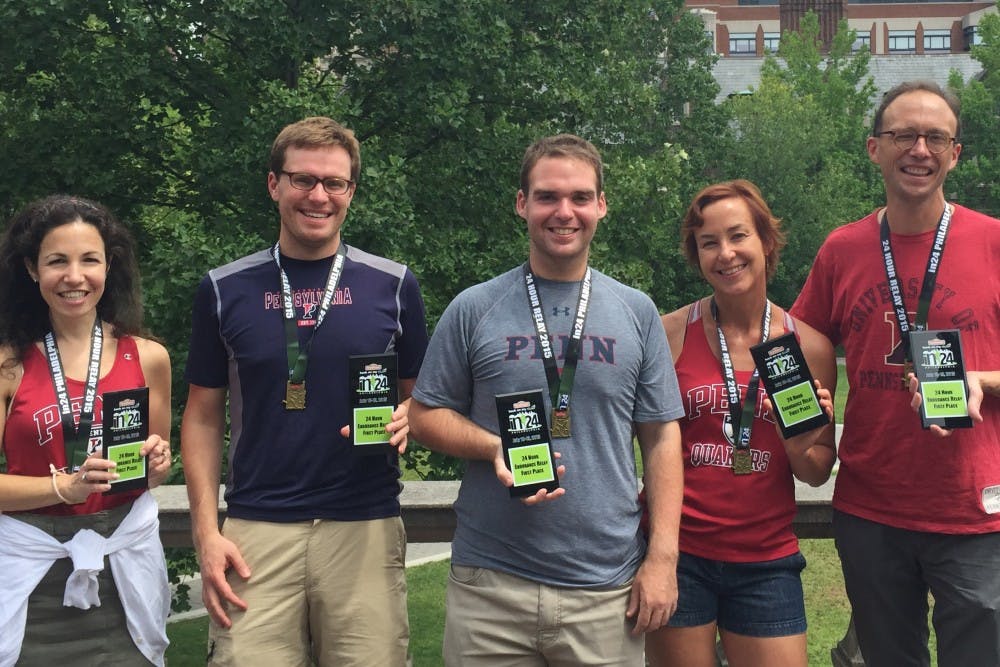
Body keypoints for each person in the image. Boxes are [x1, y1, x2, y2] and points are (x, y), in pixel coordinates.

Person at [408, 133, 685, 666]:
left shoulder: (636, 311)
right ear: (522, 204)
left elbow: (661, 436)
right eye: (547, 197)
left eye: (580, 197)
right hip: (491, 586)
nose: (564, 212)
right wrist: (493, 446)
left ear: (601, 205)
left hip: (605, 587)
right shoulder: (475, 307)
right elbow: (424, 415)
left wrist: (662, 559)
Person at [181, 116, 428, 667]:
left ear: (350, 192)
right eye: (303, 179)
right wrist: (205, 532)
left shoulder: (393, 285)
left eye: (334, 183)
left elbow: (423, 398)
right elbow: (202, 416)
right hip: (256, 528)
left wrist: (410, 414)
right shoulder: (223, 288)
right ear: (274, 184)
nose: (318, 196)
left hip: (364, 523)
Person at [791, 80, 1000, 666]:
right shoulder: (843, 249)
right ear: (874, 148)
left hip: (975, 511)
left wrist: (981, 381)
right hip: (872, 508)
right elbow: (804, 339)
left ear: (955, 153)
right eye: (903, 135)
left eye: (936, 137)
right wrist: (806, 415)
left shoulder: (993, 242)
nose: (920, 149)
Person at [644, 180, 836, 667]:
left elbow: (815, 471)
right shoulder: (668, 334)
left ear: (766, 241)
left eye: (738, 236)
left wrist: (799, 444)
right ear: (697, 256)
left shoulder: (809, 347)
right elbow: (645, 440)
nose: (726, 254)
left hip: (766, 561)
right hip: (680, 555)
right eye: (709, 242)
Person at [0, 195, 173, 666]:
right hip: (31, 575)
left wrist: (157, 464)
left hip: (125, 571)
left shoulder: (149, 358)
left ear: (108, 266)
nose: (74, 276)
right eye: (57, 261)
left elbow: (150, 471)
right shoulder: (9, 364)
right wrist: (64, 487)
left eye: (89, 260)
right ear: (32, 269)